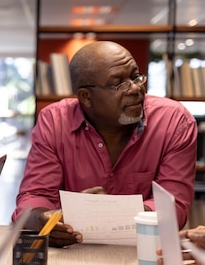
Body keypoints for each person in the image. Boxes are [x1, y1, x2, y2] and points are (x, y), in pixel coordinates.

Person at [12, 41, 197, 247]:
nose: (135, 88)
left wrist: (109, 213)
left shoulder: (174, 121)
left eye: (136, 77)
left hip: (143, 252)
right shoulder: (55, 122)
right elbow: (35, 197)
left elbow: (173, 208)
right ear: (86, 97)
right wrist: (43, 220)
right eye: (119, 84)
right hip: (73, 251)